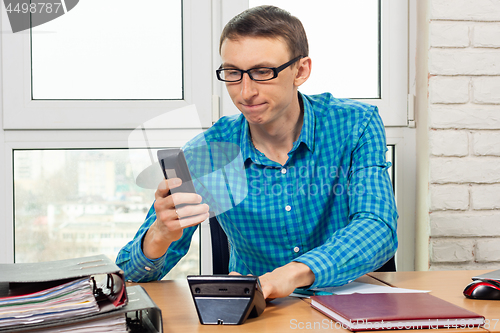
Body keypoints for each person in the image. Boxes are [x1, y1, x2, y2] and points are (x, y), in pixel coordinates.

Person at [116, 5, 398, 300]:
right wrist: (159, 235)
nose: (245, 92)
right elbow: (131, 277)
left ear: (300, 71)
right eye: (233, 73)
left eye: (263, 72)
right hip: (258, 313)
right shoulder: (206, 153)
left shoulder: (356, 124)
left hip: (352, 303)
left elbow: (378, 227)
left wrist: (286, 276)